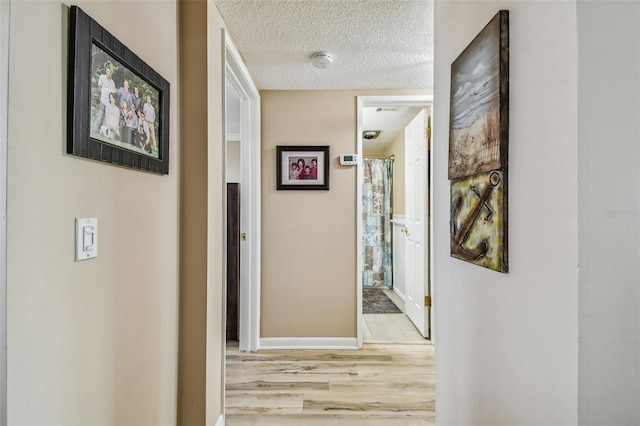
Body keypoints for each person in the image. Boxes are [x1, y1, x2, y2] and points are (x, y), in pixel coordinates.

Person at [95, 64, 116, 133]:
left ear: (111, 73)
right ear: (106, 71)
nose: (108, 73)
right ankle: (98, 129)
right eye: (107, 71)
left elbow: (113, 93)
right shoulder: (102, 77)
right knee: (100, 115)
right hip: (102, 101)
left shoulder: (112, 83)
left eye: (110, 72)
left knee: (107, 117)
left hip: (108, 103)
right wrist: (102, 92)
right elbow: (99, 85)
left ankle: (107, 131)